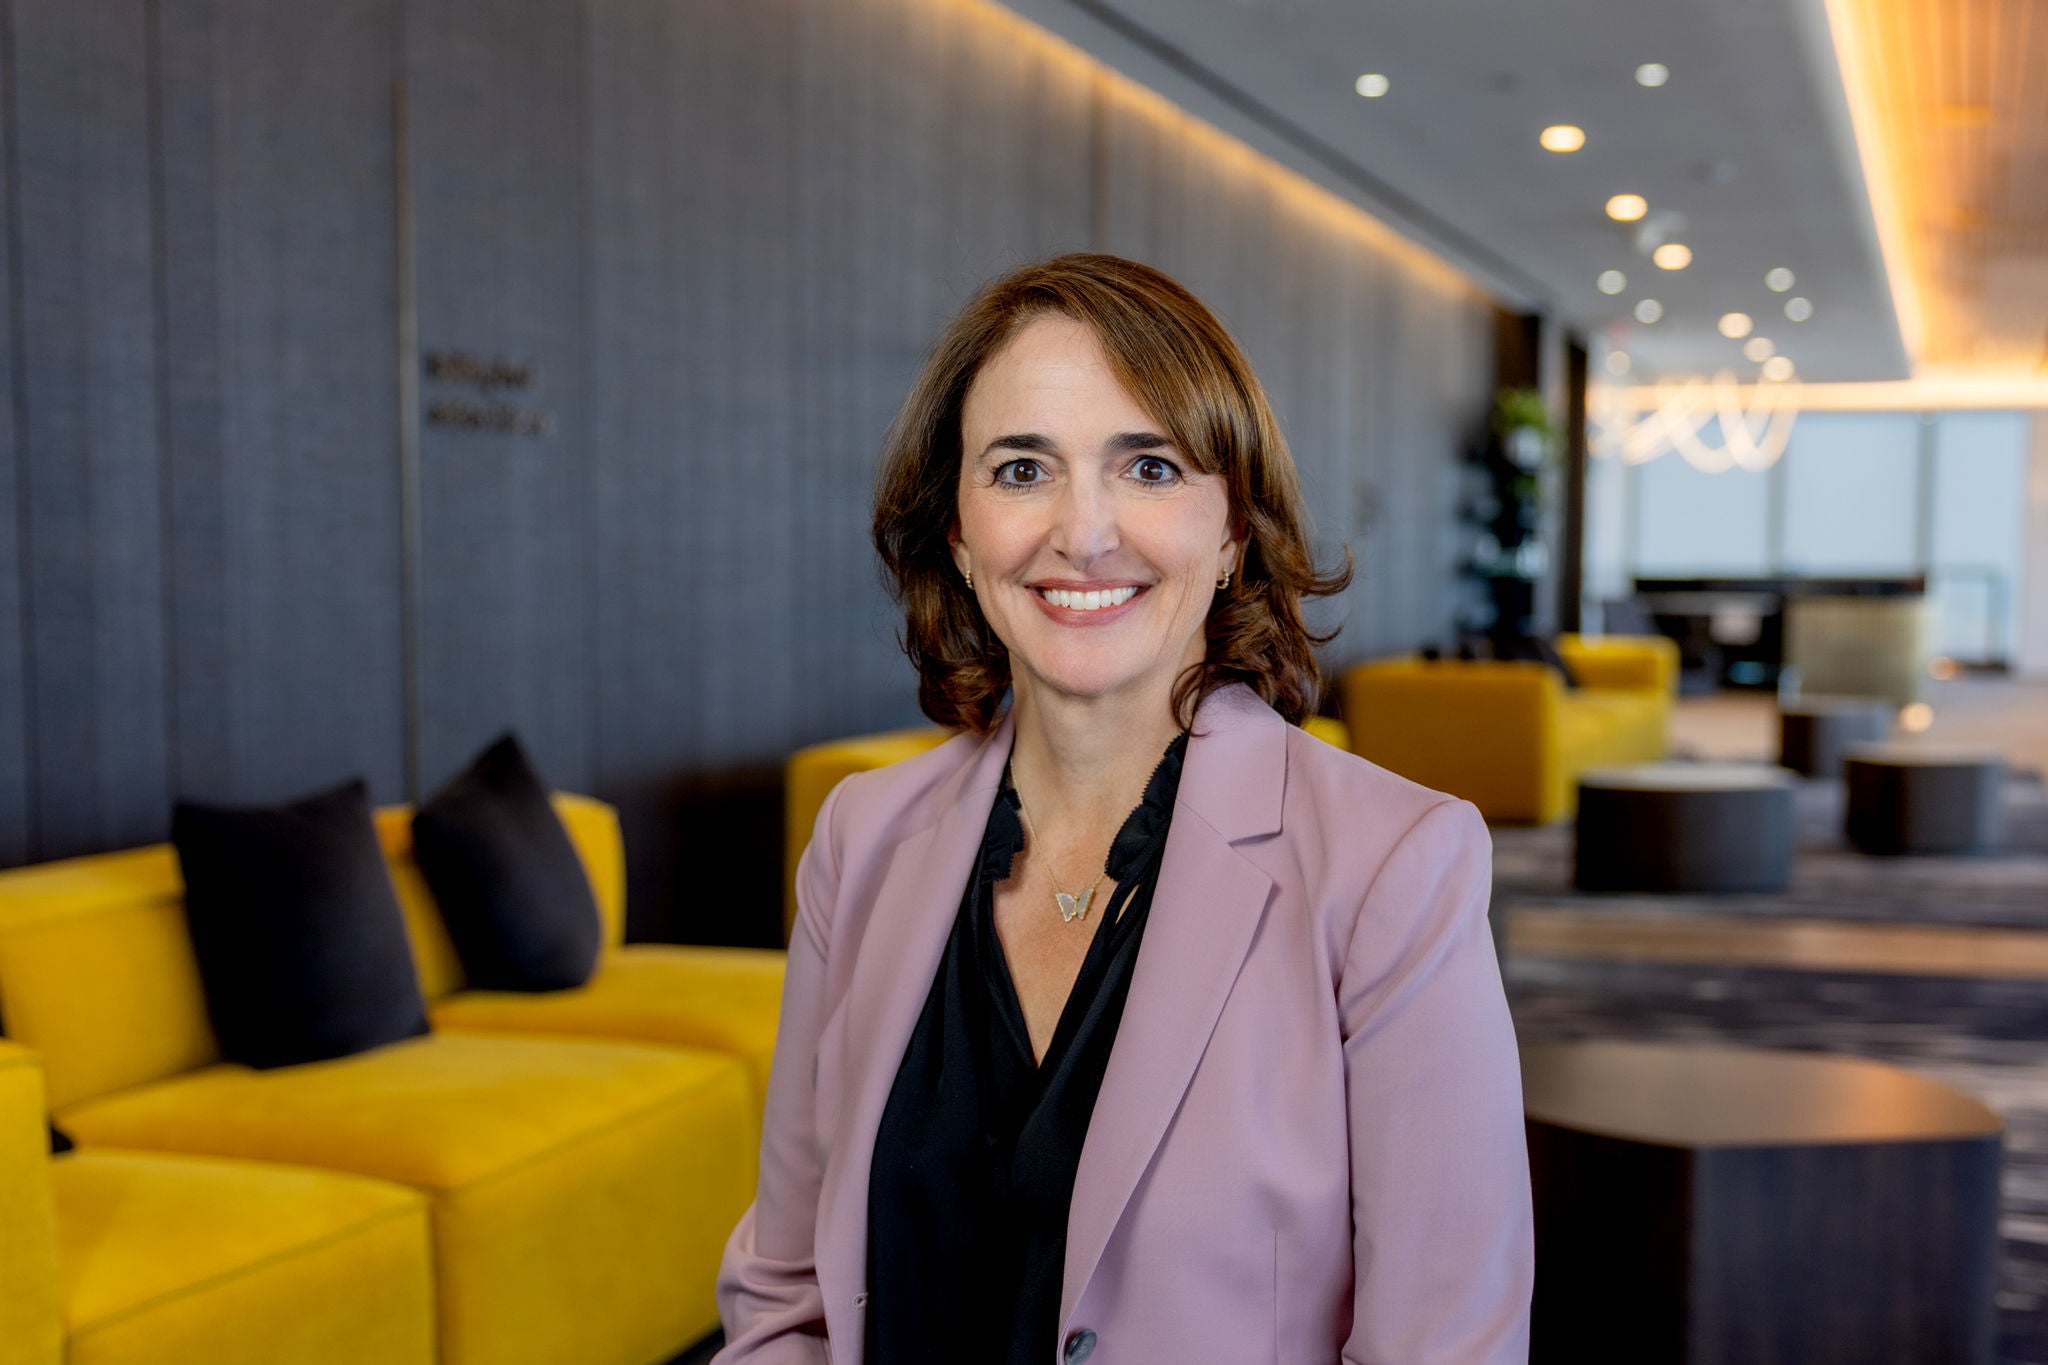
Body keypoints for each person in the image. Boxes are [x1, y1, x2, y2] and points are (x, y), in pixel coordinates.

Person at [714, 253, 1533, 1364]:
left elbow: (1445, 1344)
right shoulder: (861, 840)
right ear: (957, 533)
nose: (1083, 531)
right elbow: (785, 1295)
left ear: (1232, 530)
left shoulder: (1392, 865)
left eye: (1148, 467)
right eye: (1021, 470)